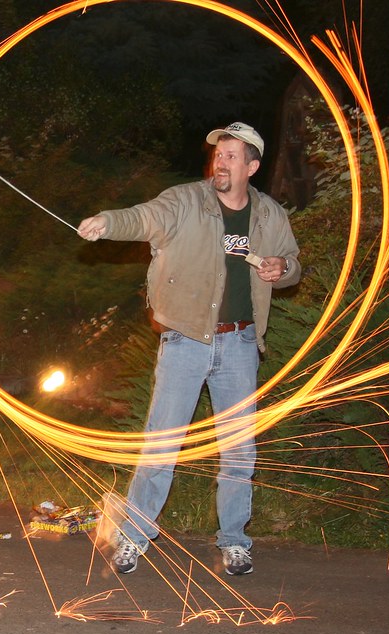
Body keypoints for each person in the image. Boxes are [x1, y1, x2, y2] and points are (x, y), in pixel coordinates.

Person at [77, 122, 301, 576]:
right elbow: (141, 217)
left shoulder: (270, 215)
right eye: (219, 153)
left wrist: (284, 267)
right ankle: (134, 536)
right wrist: (107, 221)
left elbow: (292, 264)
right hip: (185, 339)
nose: (222, 160)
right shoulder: (184, 201)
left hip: (240, 343)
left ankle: (235, 540)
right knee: (162, 445)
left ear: (252, 166)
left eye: (233, 155)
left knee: (239, 450)